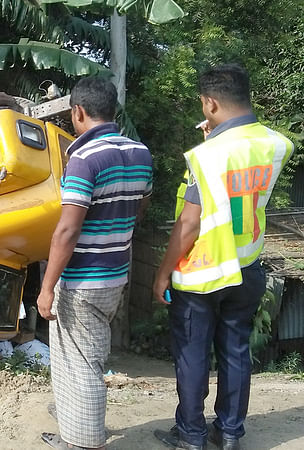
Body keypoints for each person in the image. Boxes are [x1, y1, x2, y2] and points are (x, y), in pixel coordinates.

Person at [152, 63, 294, 450]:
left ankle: (192, 435)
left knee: (193, 355)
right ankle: (230, 433)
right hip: (248, 265)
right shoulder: (278, 144)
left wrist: (163, 273)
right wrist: (217, 137)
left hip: (203, 269)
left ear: (211, 103)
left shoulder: (206, 155)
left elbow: (191, 222)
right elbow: (241, 180)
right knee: (235, 350)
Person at [37, 76, 153, 449]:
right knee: (87, 353)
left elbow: (67, 231)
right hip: (116, 273)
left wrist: (47, 286)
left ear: (78, 112)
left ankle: (82, 441)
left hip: (83, 280)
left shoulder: (84, 159)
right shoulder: (140, 152)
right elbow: (140, 205)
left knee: (81, 363)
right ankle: (75, 416)